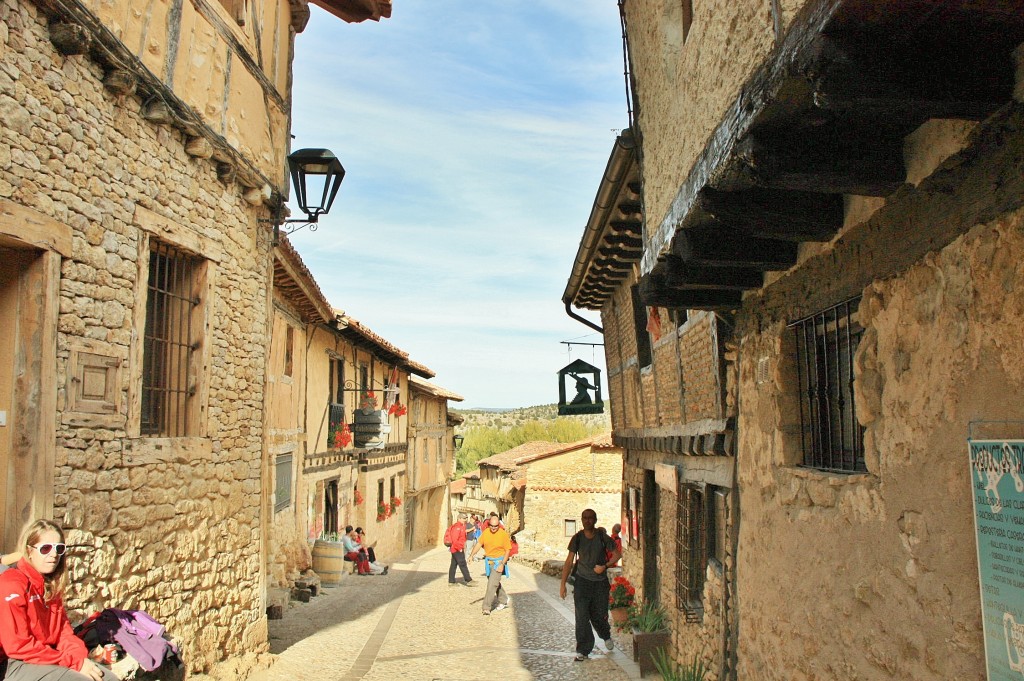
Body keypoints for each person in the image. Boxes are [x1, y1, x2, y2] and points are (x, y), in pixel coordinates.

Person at [0, 519, 118, 681]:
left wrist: (79, 657)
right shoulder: (12, 584)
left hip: (44, 655)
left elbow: (63, 631)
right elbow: (18, 646)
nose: (54, 554)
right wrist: (71, 662)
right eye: (45, 548)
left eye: (59, 548)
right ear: (29, 551)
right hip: (12, 662)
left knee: (109, 679)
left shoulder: (51, 584)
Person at [559, 509, 621, 661]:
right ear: (581, 520)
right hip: (582, 582)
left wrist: (605, 566)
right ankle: (583, 650)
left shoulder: (602, 537)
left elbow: (617, 554)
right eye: (585, 518)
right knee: (581, 617)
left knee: (598, 615)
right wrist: (563, 584)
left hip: (600, 583)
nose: (587, 521)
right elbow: (569, 561)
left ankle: (605, 635)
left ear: (595, 520)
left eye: (590, 518)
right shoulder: (577, 538)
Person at [469, 516, 510, 615]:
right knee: (494, 583)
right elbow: (479, 544)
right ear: (489, 524)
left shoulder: (503, 535)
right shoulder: (486, 532)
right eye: (492, 526)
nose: (493, 528)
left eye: (496, 526)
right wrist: (471, 555)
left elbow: (507, 550)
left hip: (498, 562)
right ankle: (504, 599)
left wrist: (502, 564)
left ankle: (486, 607)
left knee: (491, 585)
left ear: (498, 525)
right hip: (489, 562)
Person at [446, 513, 474, 587]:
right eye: (463, 518)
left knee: (453, 565)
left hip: (457, 548)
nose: (465, 520)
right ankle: (468, 580)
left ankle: (451, 581)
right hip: (456, 548)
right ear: (459, 519)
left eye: (465, 518)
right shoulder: (457, 527)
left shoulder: (461, 526)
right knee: (462, 564)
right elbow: (455, 540)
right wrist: (459, 548)